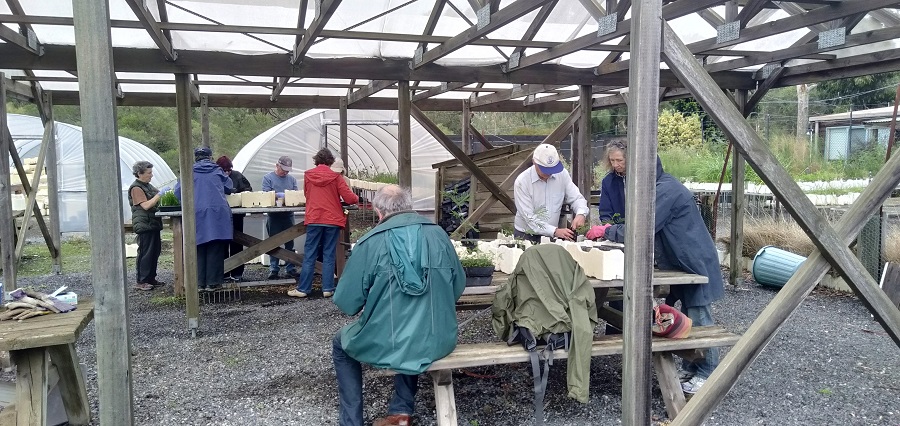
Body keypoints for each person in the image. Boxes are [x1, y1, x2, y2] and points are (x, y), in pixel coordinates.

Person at [585, 158, 725, 395]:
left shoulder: (665, 191)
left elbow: (641, 228)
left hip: (695, 262)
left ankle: (708, 374)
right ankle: (691, 367)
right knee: (687, 315)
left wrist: (607, 230)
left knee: (700, 317)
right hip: (682, 262)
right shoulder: (659, 185)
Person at [332, 185, 465, 426]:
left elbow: (346, 301)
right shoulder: (439, 235)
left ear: (379, 213)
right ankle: (401, 411)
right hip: (439, 338)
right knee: (414, 330)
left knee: (341, 344)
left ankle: (351, 422)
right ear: (409, 207)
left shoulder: (370, 242)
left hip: (391, 340)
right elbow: (457, 287)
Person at [289, 149, 359, 298]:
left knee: (310, 254)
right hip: (332, 219)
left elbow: (307, 194)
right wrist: (356, 198)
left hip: (314, 218)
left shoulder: (308, 175)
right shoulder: (336, 177)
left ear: (316, 160)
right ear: (330, 162)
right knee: (328, 253)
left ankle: (303, 289)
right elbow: (350, 198)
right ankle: (327, 288)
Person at [175, 147, 234, 292]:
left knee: (198, 246)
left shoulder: (188, 172)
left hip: (195, 213)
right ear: (210, 157)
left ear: (196, 157)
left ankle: (199, 283)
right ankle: (213, 283)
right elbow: (230, 186)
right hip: (217, 214)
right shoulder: (217, 171)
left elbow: (178, 193)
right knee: (215, 246)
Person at [513, 143, 589, 243]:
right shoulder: (522, 182)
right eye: (545, 169)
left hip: (552, 235)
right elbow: (529, 218)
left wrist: (581, 214)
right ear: (534, 162)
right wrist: (555, 231)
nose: (549, 173)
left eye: (552, 169)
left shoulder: (562, 174)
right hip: (526, 235)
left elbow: (576, 198)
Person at [128, 161, 167, 291]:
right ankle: (142, 280)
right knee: (145, 252)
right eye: (149, 173)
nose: (151, 175)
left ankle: (151, 278)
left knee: (154, 252)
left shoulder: (147, 186)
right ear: (139, 174)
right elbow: (146, 205)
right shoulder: (136, 188)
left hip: (153, 224)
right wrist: (159, 195)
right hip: (145, 225)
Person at [262, 155, 299, 280]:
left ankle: (290, 268)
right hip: (274, 216)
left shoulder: (292, 180)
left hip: (288, 215)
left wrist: (290, 196)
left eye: (287, 170)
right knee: (274, 242)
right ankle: (274, 269)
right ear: (277, 165)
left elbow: (296, 195)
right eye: (283, 169)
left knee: (290, 243)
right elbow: (265, 194)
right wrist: (278, 195)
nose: (285, 172)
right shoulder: (268, 178)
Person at [216, 155, 253, 282]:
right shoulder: (215, 177)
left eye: (228, 170)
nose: (227, 172)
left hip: (237, 215)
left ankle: (237, 272)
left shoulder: (237, 176)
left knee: (237, 243)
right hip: (221, 216)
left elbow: (248, 190)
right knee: (222, 244)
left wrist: (237, 194)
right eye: (224, 170)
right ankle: (224, 271)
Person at [597, 139, 627, 224]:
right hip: (616, 231)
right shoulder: (608, 182)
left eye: (619, 160)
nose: (615, 165)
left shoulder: (640, 180)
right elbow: (605, 212)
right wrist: (609, 229)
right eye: (612, 160)